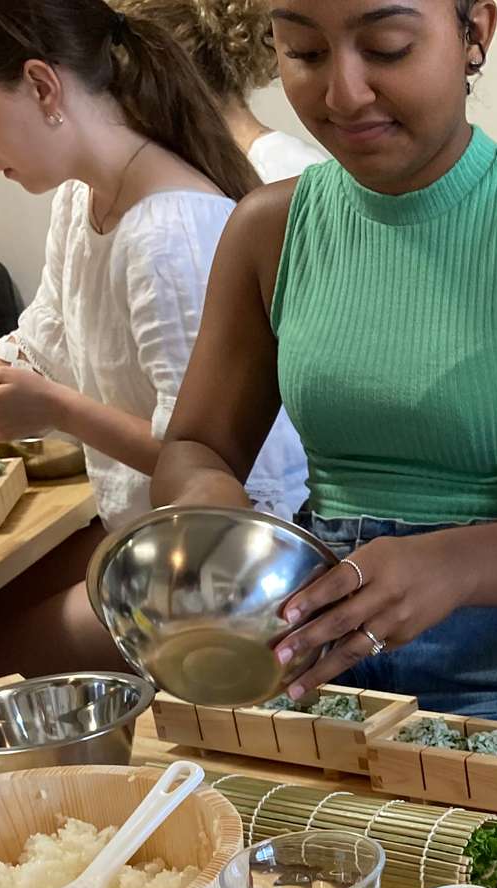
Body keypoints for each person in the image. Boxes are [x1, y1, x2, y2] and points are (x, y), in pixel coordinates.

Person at [151, 0, 497, 735]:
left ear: (473, 32)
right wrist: (216, 512)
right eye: (304, 52)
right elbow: (196, 445)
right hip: (321, 636)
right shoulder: (269, 229)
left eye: (386, 48)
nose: (343, 94)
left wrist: (451, 565)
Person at [0, 0, 259, 672]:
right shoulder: (81, 197)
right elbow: (35, 344)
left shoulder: (169, 234)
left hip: (225, 568)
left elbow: (224, 467)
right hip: (152, 537)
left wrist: (55, 408)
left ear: (41, 85)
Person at [109, 0, 324, 520]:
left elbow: (274, 455)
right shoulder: (246, 203)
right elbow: (200, 445)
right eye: (307, 54)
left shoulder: (273, 185)